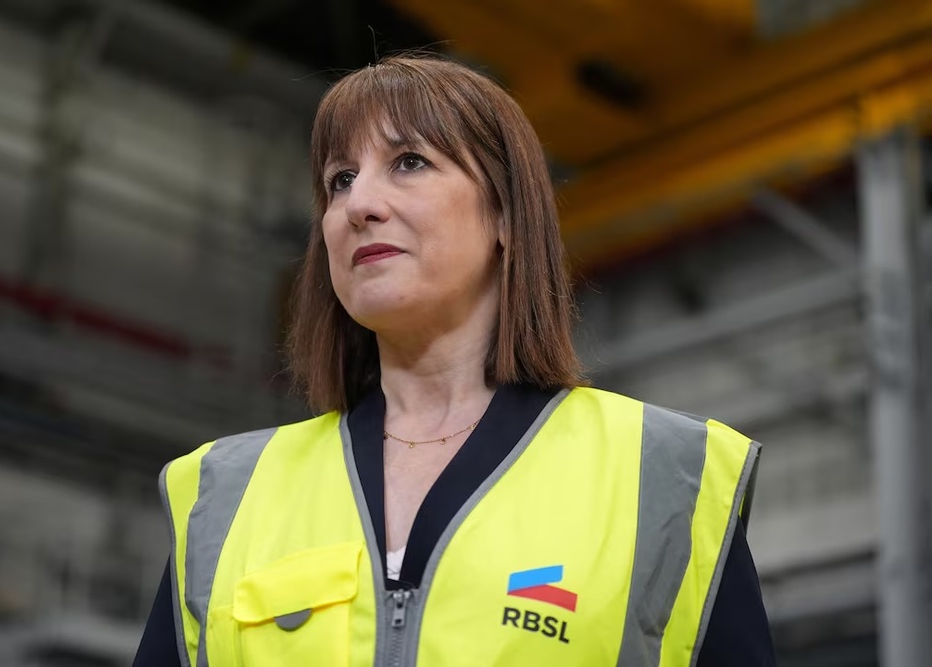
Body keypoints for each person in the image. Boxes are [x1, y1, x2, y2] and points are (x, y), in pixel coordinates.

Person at [134, 54, 775, 666]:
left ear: (505, 214)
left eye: (409, 161)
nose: (359, 205)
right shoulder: (224, 496)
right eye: (340, 180)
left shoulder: (666, 477)